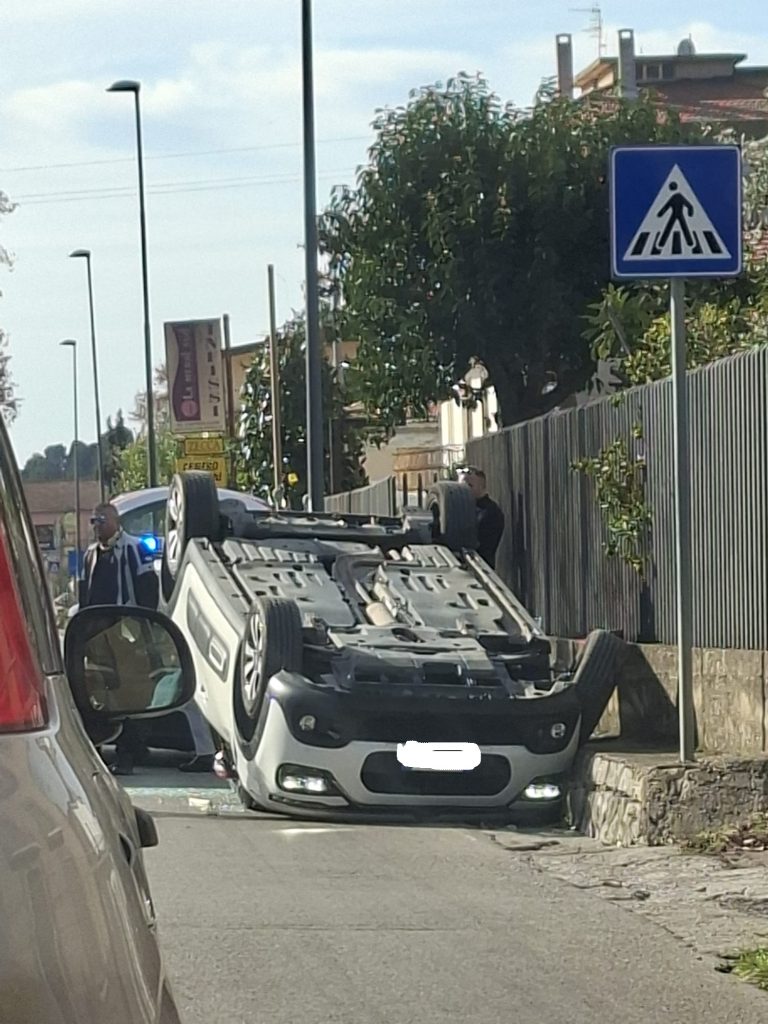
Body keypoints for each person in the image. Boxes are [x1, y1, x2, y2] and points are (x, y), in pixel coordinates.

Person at [80, 502, 216, 775]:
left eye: (101, 521)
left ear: (116, 522)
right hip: (100, 637)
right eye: (94, 521)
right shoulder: (91, 555)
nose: (97, 527)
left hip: (130, 633)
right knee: (100, 696)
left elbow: (147, 592)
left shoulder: (133, 550)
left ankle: (130, 753)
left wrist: (144, 628)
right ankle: (105, 750)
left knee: (137, 696)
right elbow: (86, 592)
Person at [458, 467, 505, 570]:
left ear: (482, 487)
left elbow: (482, 545)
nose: (464, 490)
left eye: (470, 486)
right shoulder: (462, 507)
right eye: (461, 486)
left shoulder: (491, 512)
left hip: (480, 568)